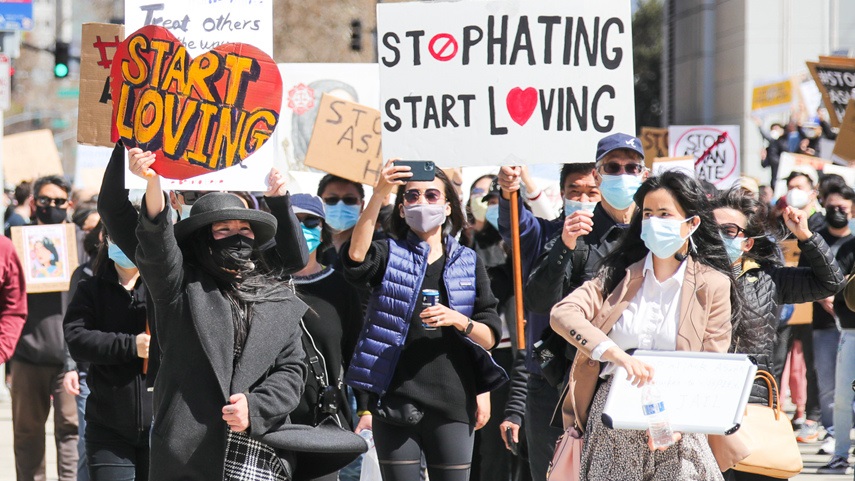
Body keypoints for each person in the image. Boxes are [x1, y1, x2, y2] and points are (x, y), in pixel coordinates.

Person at [129, 148, 362, 481]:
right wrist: (153, 183)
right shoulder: (180, 288)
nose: (237, 236)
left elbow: (292, 369)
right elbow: (156, 244)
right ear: (202, 239)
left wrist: (255, 408)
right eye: (223, 230)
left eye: (244, 229)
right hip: (188, 452)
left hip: (258, 450)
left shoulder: (275, 296)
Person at [550, 171, 741, 480]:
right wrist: (614, 353)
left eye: (665, 214)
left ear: (692, 223)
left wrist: (676, 424)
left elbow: (711, 362)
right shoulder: (617, 274)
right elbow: (563, 314)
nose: (654, 222)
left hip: (678, 424)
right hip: (613, 420)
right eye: (648, 214)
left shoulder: (713, 284)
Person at [343, 160, 506, 481]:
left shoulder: (467, 260)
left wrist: (458, 320)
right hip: (396, 398)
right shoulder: (388, 253)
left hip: (454, 401)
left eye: (432, 196)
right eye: (412, 196)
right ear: (402, 209)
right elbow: (356, 259)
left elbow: (489, 337)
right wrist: (379, 194)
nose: (422, 202)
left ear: (448, 207)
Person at [498, 132, 646, 481]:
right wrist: (564, 243)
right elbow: (538, 300)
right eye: (613, 167)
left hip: (625, 381)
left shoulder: (648, 235)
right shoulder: (566, 234)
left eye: (631, 168)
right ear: (599, 173)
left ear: (644, 174)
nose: (622, 175)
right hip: (559, 381)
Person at [710, 188, 845, 480]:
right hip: (703, 403)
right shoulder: (686, 275)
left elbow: (830, 282)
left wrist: (806, 236)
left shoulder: (768, 277)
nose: (718, 237)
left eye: (729, 231)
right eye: (712, 229)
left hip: (753, 403)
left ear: (747, 242)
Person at [11, 175, 85, 481]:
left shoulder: (80, 241)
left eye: (59, 201)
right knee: (27, 433)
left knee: (71, 431)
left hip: (71, 358)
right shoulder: (18, 242)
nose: (52, 206)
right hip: (27, 354)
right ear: (33, 203)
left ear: (69, 204)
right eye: (45, 200)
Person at [63, 232, 152, 481]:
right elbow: (77, 339)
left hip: (160, 427)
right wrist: (131, 345)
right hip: (108, 429)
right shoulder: (90, 288)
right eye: (117, 236)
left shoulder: (162, 288)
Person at [288, 193, 364, 481]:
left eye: (311, 221)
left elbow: (355, 351)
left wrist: (365, 409)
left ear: (323, 230)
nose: (302, 227)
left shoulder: (341, 287)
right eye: (293, 220)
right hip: (270, 422)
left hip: (324, 423)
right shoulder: (260, 285)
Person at [793, 185, 855, 447]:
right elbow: (800, 276)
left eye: (843, 208)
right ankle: (832, 432)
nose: (837, 212)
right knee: (828, 383)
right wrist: (821, 296)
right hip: (823, 324)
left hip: (851, 324)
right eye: (832, 207)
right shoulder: (814, 240)